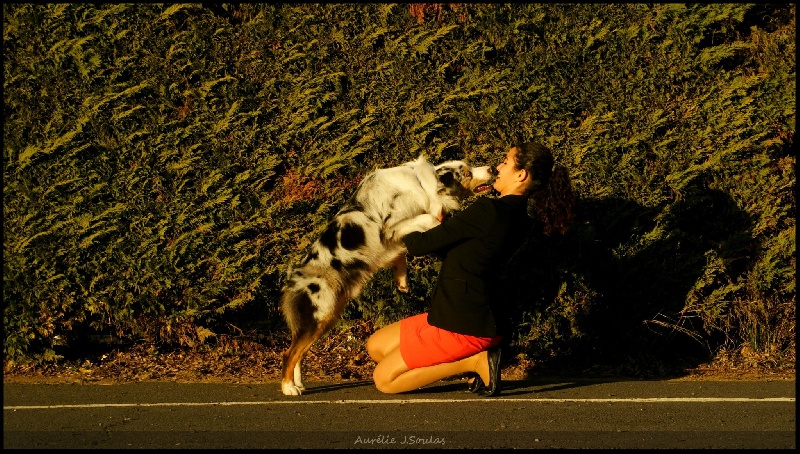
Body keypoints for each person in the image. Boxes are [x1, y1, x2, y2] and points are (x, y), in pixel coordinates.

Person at [366, 141, 575, 396]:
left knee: (384, 380)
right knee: (376, 346)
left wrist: (398, 219)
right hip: (461, 315)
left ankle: (475, 362)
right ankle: (474, 358)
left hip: (464, 325)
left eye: (506, 162)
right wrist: (439, 229)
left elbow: (419, 245)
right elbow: (456, 253)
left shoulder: (488, 210)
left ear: (521, 175)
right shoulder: (520, 218)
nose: (498, 167)